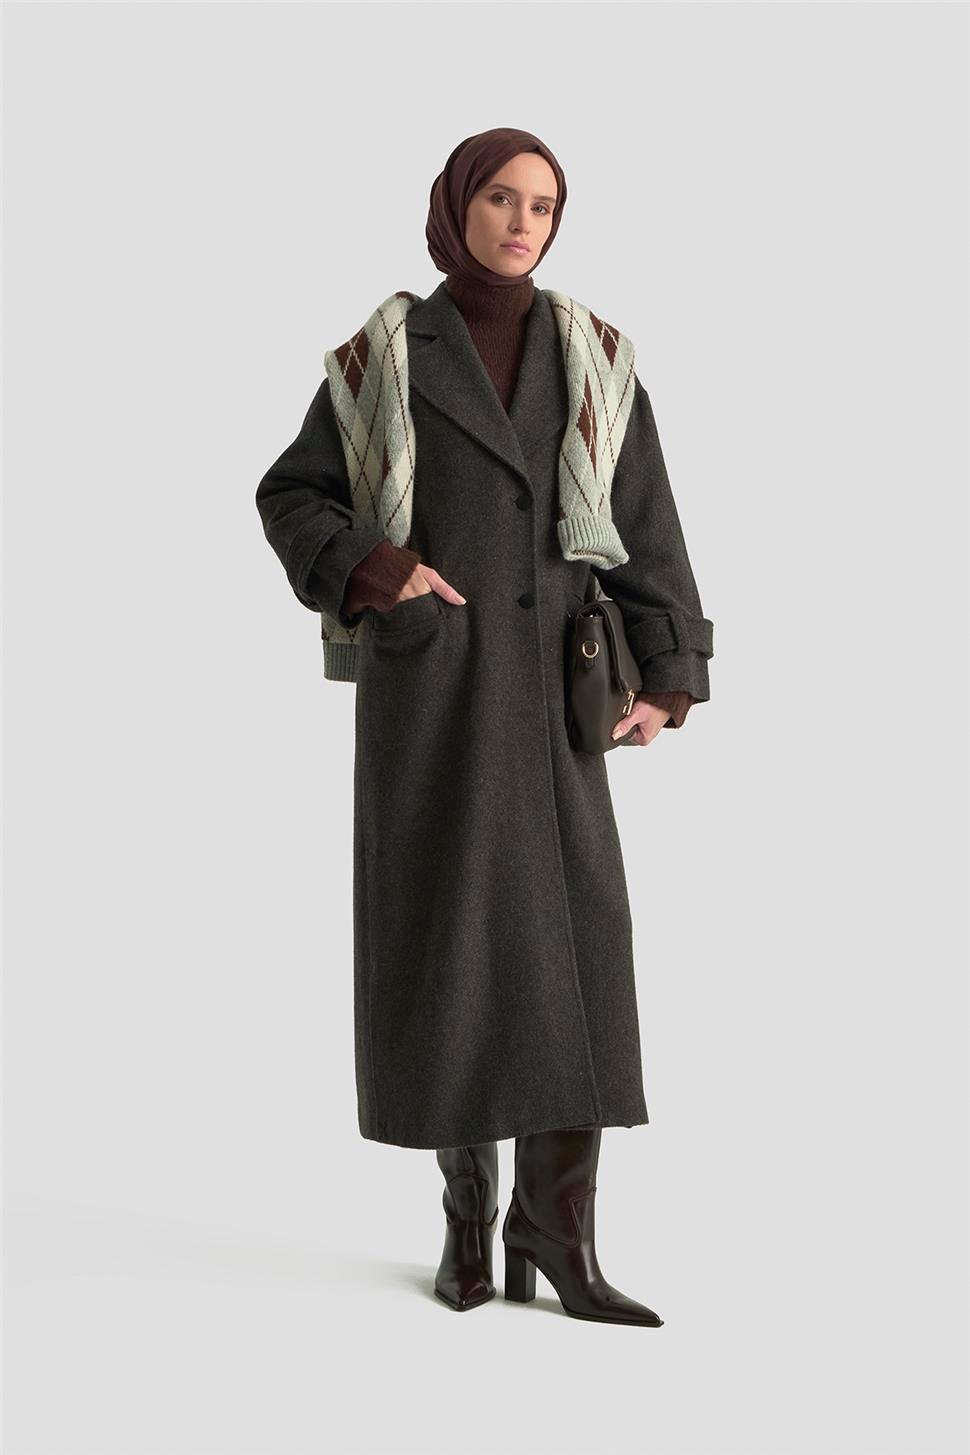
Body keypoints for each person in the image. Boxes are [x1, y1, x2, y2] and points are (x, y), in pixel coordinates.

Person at [255, 128, 714, 1327]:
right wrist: (379, 571)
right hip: (436, 694)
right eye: (501, 198)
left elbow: (645, 519)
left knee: (577, 951)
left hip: (562, 695)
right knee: (452, 948)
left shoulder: (596, 356)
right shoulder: (382, 357)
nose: (522, 223)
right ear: (456, 207)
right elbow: (292, 493)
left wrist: (669, 672)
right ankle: (469, 1217)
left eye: (543, 205)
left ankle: (554, 1233)